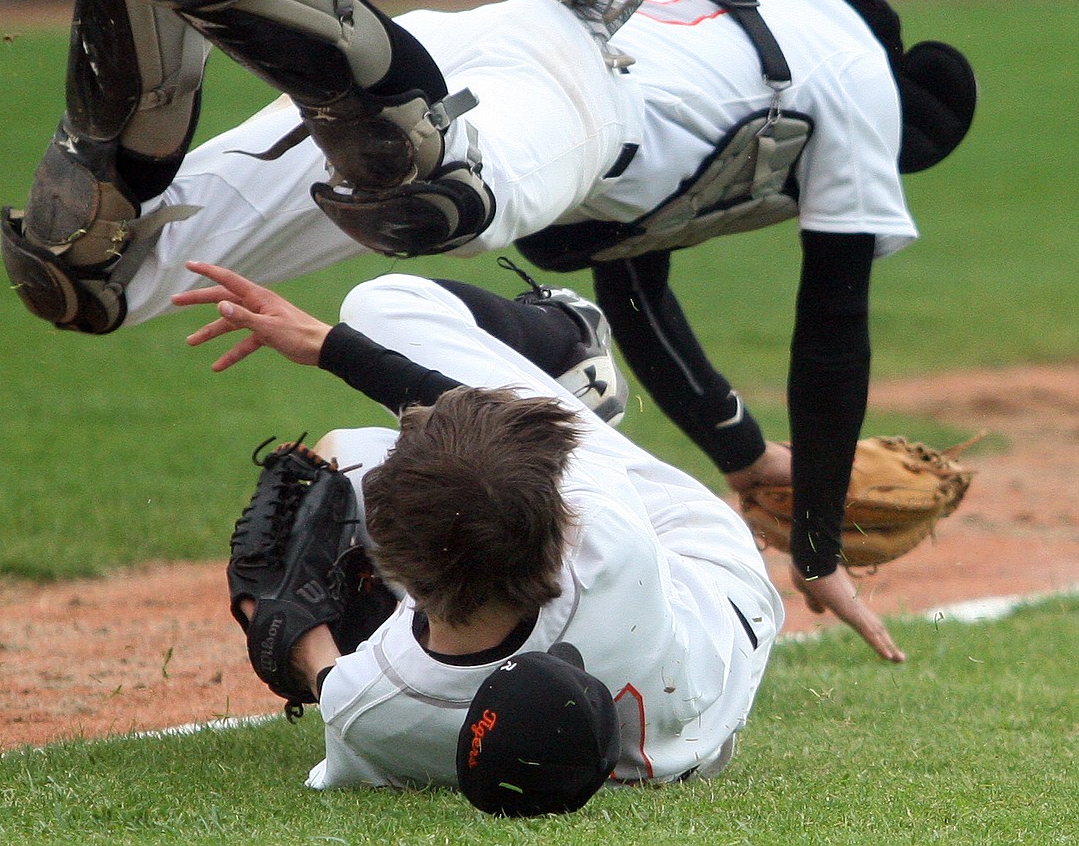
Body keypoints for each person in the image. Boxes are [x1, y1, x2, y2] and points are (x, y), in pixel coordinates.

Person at [0, 0, 976, 660]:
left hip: (474, 40)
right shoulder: (847, 55)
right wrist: (815, 546)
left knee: (92, 269)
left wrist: (746, 455)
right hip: (559, 95)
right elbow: (834, 321)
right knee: (428, 190)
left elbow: (634, 282)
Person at [170, 259, 784, 804]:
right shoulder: (603, 527)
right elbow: (509, 425)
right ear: (555, 521)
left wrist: (280, 619)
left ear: (394, 563)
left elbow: (330, 680)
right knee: (381, 306)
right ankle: (572, 346)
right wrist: (331, 347)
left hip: (683, 719)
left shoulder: (372, 710)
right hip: (715, 596)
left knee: (345, 457)